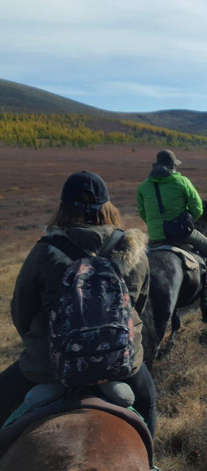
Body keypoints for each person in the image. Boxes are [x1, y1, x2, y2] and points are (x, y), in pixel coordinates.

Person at [0, 171, 157, 435]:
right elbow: (137, 306)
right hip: (118, 363)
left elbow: (22, 312)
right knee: (148, 400)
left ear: (63, 208)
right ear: (108, 207)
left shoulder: (45, 250)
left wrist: (40, 344)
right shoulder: (133, 249)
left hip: (49, 366)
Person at [136, 149, 207, 307]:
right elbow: (198, 208)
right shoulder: (182, 181)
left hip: (156, 237)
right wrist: (187, 221)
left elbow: (143, 213)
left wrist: (155, 225)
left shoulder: (143, 186)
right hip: (181, 234)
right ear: (173, 166)